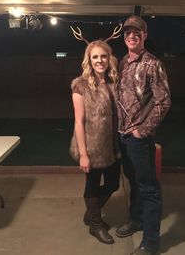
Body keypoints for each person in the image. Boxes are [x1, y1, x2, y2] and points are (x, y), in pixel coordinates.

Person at [116, 15, 171, 255]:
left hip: (138, 138)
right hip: (122, 136)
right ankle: (136, 220)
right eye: (128, 32)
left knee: (149, 188)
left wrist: (142, 130)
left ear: (144, 35)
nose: (132, 35)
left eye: (137, 32)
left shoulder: (152, 64)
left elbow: (164, 101)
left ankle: (151, 242)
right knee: (134, 182)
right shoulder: (122, 63)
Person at [70, 40, 121, 244]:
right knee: (92, 184)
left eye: (103, 56)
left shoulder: (113, 81)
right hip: (91, 146)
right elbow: (78, 121)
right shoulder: (80, 85)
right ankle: (96, 225)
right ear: (89, 60)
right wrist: (84, 154)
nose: (100, 60)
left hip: (113, 145)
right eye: (95, 57)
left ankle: (92, 213)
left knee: (113, 184)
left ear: (109, 58)